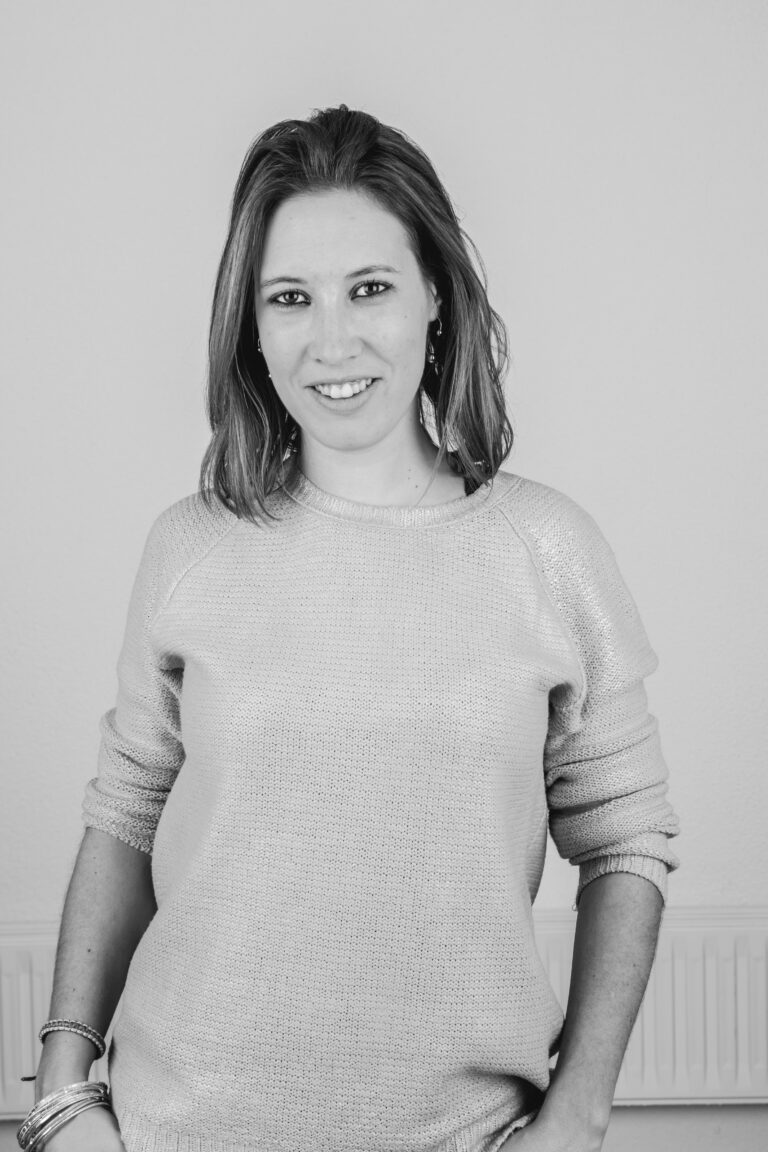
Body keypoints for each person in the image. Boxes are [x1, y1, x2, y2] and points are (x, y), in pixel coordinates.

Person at [24, 104, 679, 1152]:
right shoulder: (190, 547)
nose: (332, 340)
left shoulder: (546, 550)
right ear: (252, 326)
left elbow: (626, 836)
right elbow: (127, 810)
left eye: (369, 287)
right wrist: (64, 1085)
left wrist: (579, 1115)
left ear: (435, 296)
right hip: (175, 1130)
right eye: (291, 298)